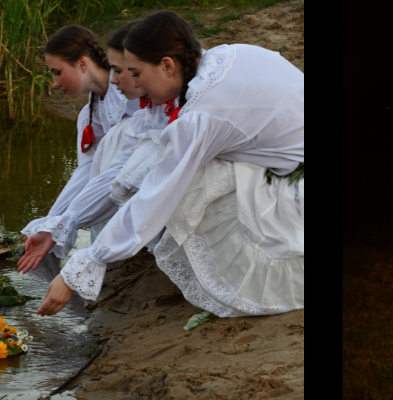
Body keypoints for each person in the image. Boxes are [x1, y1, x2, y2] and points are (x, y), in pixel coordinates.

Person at [35, 12, 304, 324]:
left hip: (295, 186)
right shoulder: (227, 55)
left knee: (187, 185)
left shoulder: (203, 115)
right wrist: (63, 222)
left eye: (136, 73)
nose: (133, 84)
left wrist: (85, 265)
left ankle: (247, 278)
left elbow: (156, 194)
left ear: (167, 65)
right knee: (164, 159)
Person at [18, 24, 128, 277]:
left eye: (57, 73)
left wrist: (62, 224)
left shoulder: (132, 91)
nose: (54, 84)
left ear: (81, 63)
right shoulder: (91, 113)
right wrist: (51, 222)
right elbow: (88, 171)